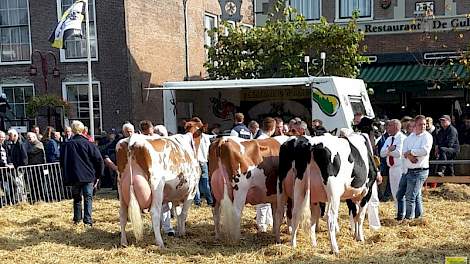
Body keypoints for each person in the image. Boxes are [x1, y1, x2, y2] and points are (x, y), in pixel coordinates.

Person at [60, 120, 104, 227]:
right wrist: (98, 175)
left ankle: (77, 219)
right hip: (88, 176)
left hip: (74, 176)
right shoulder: (89, 144)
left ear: (73, 130)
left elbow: (62, 160)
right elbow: (99, 160)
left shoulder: (67, 145)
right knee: (88, 198)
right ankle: (88, 221)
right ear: (83, 130)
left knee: (77, 198)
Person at [396, 115, 433, 220]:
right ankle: (414, 216)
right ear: (415, 125)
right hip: (407, 170)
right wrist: (410, 155)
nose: (423, 126)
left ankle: (409, 219)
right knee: (403, 195)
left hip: (419, 171)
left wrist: (410, 152)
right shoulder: (410, 137)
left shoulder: (427, 136)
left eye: (424, 124)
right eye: (421, 124)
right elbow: (403, 152)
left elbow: (425, 151)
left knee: (410, 197)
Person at [355, 116, 382, 231]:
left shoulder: (356, 136)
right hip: (368, 172)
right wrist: (377, 172)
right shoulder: (368, 137)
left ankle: (356, 226)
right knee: (373, 199)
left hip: (357, 172)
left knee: (356, 201)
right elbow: (373, 156)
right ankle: (374, 226)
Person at [255, 117, 276, 232]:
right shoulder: (267, 141)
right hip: (264, 172)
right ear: (272, 128)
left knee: (266, 200)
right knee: (263, 200)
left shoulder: (258, 139)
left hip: (258, 171)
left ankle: (268, 222)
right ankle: (262, 225)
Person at [380, 119, 406, 208]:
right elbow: (381, 153)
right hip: (391, 168)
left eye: (389, 126)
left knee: (401, 191)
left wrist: (388, 150)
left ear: (396, 127)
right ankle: (398, 210)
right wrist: (389, 149)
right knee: (394, 191)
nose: (387, 127)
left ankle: (403, 211)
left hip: (400, 167)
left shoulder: (401, 138)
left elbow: (398, 153)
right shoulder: (389, 138)